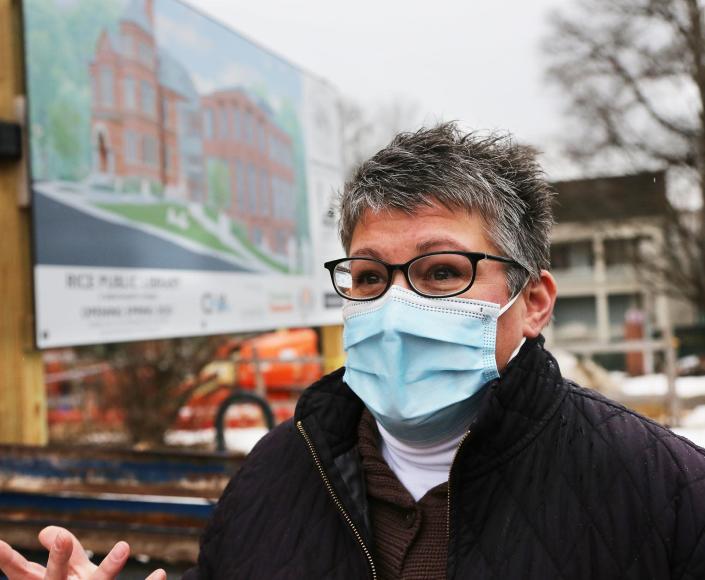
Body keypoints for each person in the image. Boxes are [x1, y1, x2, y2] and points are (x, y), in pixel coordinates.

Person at [2, 122, 705, 579]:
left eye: (440, 272)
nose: (396, 306)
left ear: (533, 301)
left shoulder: (664, 493)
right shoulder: (275, 475)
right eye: (368, 277)